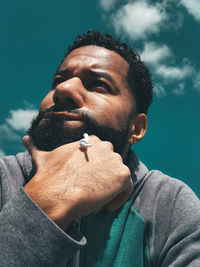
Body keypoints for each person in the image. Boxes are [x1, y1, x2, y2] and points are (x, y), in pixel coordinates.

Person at [0, 30, 199, 267]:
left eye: (98, 85)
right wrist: (47, 203)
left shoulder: (169, 203)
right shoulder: (4, 176)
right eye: (58, 81)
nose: (64, 90)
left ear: (136, 128)